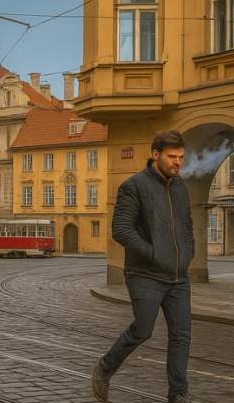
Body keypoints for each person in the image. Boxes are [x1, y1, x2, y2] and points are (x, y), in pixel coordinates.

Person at [92, 130, 195, 403]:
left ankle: (178, 393)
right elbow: (121, 230)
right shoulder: (133, 186)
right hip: (145, 274)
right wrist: (154, 254)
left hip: (177, 276)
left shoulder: (180, 187)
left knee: (182, 336)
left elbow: (187, 227)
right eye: (172, 157)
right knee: (142, 330)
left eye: (181, 157)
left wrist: (187, 255)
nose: (177, 162)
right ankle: (105, 367)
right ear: (155, 155)